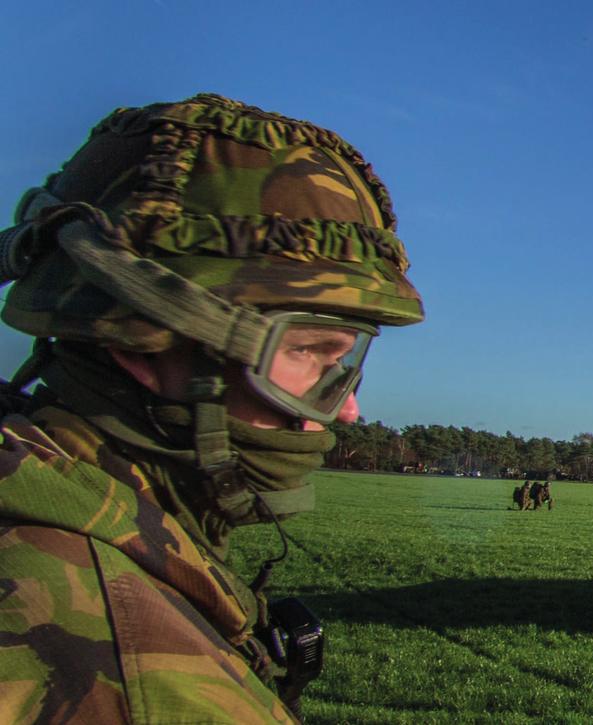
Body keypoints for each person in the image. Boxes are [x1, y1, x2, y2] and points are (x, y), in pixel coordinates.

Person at [0, 94, 424, 723]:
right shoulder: (133, 669)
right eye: (307, 351)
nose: (346, 410)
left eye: (343, 363)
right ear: (142, 337)